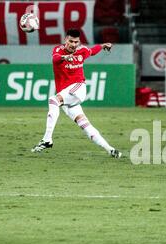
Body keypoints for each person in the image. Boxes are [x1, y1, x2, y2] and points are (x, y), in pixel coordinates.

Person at [31, 28, 122, 158]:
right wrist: (64, 57)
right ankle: (110, 149)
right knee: (84, 124)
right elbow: (55, 59)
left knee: (53, 100)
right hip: (68, 96)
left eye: (76, 42)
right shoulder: (58, 50)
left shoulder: (81, 50)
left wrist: (102, 46)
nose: (74, 45)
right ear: (65, 40)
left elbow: (91, 51)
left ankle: (47, 139)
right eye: (71, 41)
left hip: (79, 88)